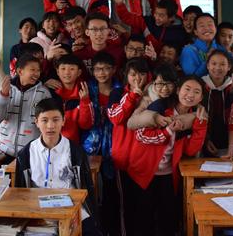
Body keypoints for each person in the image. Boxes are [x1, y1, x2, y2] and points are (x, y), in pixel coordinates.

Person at [127, 76, 208, 236]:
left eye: (196, 92)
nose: (190, 95)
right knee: (143, 218)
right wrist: (168, 131)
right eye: (187, 89)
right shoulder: (160, 107)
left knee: (167, 218)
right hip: (144, 171)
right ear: (178, 90)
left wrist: (201, 126)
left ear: (201, 98)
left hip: (169, 174)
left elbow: (190, 150)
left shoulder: (193, 116)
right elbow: (141, 136)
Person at [15, 98, 102, 236]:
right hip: (37, 212)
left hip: (71, 209)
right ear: (36, 122)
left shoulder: (76, 152)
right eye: (44, 120)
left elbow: (87, 190)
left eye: (56, 120)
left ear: (63, 121)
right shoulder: (25, 154)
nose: (50, 126)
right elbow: (20, 193)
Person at [80, 52, 124, 236]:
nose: (102, 73)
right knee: (90, 190)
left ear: (114, 70)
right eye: (98, 69)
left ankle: (112, 229)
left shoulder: (121, 89)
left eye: (106, 68)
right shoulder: (87, 88)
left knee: (112, 190)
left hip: (115, 146)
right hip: (91, 146)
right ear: (92, 70)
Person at [107, 58, 150, 235]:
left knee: (147, 205)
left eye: (141, 74)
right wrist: (132, 96)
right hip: (125, 158)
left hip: (147, 159)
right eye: (133, 74)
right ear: (126, 76)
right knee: (127, 204)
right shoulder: (117, 93)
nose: (137, 78)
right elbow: (115, 118)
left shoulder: (154, 93)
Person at [0, 54, 51, 162]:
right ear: (20, 71)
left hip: (31, 152)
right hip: (4, 150)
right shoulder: (7, 89)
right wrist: (3, 96)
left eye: (38, 70)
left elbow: (47, 123)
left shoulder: (44, 93)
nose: (36, 73)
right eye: (32, 70)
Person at [113, 0, 186, 53]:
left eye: (161, 15)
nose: (156, 17)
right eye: (156, 13)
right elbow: (127, 17)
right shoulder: (147, 21)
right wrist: (120, 4)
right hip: (145, 60)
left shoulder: (180, 33)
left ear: (171, 17)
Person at [49, 54, 94, 145]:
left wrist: (85, 101)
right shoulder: (50, 93)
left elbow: (85, 125)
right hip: (50, 144)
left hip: (73, 145)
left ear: (79, 72)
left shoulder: (84, 92)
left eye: (72, 69)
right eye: (63, 69)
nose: (67, 72)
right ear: (57, 71)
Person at [202, 50, 233, 157]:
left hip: (229, 142)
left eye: (222, 64)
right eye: (214, 63)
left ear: (229, 67)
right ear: (207, 66)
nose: (218, 68)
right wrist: (205, 139)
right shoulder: (200, 86)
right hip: (204, 140)